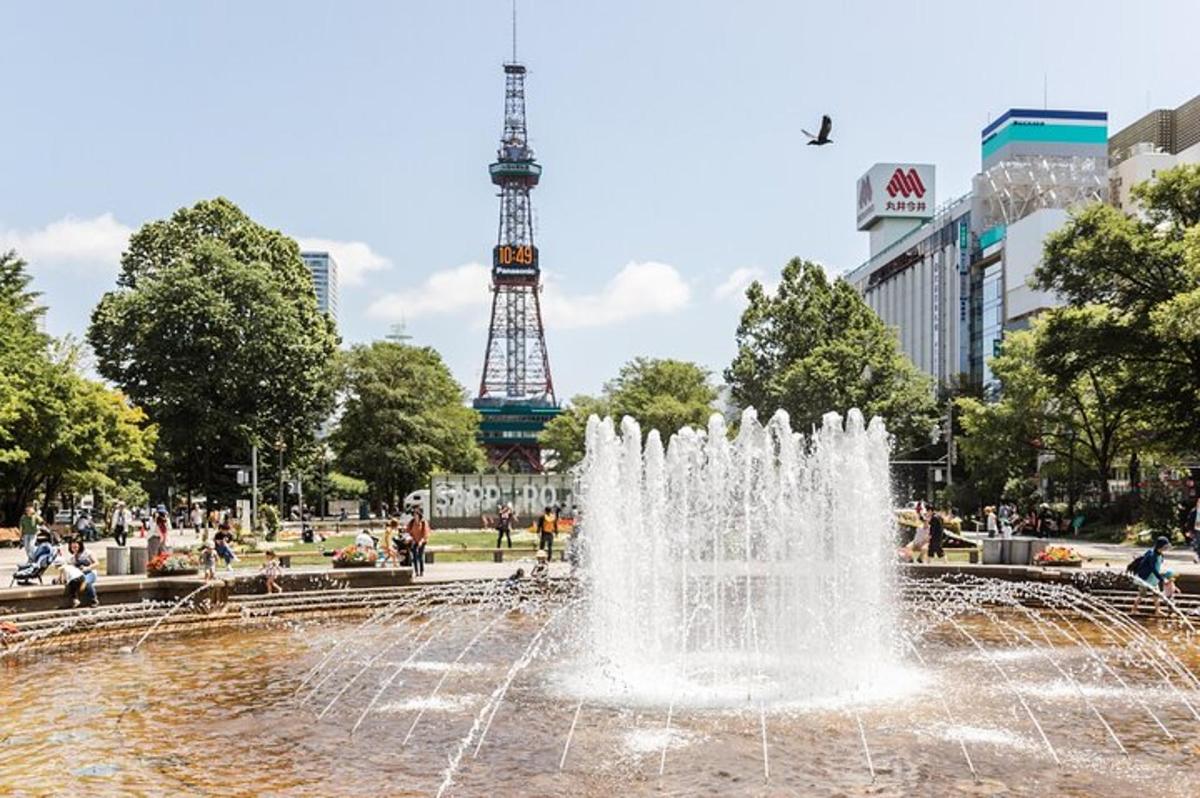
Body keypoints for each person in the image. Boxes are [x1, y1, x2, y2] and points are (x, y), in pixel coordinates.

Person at [1130, 536, 1172, 614]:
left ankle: (1157, 610)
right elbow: (1153, 568)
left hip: (1153, 579)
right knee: (1141, 594)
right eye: (1165, 546)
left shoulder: (1160, 554)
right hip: (1145, 578)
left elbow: (1157, 566)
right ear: (1161, 546)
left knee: (1156, 594)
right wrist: (1161, 578)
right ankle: (1134, 610)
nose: (1166, 548)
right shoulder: (1152, 555)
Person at [66, 538, 99, 607]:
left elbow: (97, 564)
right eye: (72, 547)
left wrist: (87, 568)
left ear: (80, 546)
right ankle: (75, 600)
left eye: (76, 547)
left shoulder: (87, 553)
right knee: (71, 582)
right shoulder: (72, 558)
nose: (74, 549)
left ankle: (94, 600)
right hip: (80, 575)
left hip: (90, 573)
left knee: (86, 582)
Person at [406, 508, 430, 577]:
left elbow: (426, 533)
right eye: (414, 514)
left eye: (416, 514)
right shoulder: (411, 522)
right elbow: (408, 531)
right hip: (414, 541)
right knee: (414, 556)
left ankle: (421, 571)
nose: (415, 516)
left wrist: (421, 541)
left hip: (422, 541)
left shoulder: (423, 522)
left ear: (419, 515)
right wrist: (410, 538)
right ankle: (416, 571)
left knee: (420, 556)